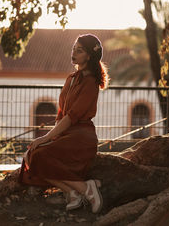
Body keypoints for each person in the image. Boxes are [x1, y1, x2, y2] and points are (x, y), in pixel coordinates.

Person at [19, 34, 109, 214]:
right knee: (31, 155)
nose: (74, 53)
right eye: (74, 48)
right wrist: (50, 138)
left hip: (81, 137)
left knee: (39, 155)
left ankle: (85, 189)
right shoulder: (71, 78)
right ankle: (73, 192)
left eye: (80, 50)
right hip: (66, 133)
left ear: (89, 56)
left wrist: (45, 138)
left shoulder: (91, 82)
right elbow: (62, 114)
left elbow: (71, 117)